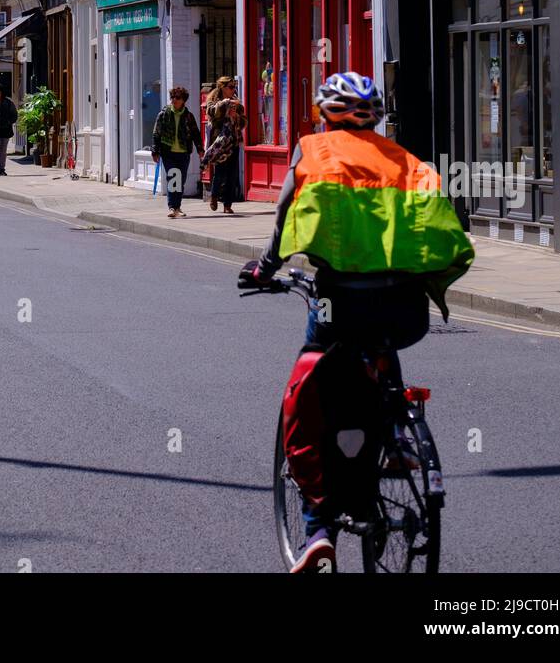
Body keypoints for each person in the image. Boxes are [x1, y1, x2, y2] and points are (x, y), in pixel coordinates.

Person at [239, 71, 474, 574]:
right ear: (376, 116)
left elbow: (284, 216)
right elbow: (438, 227)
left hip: (339, 305)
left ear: (325, 114)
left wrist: (265, 268)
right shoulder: (406, 161)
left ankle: (318, 527)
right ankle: (397, 441)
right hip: (406, 311)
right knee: (382, 359)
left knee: (309, 392)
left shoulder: (314, 151)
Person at [151, 86, 203, 218]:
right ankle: (172, 207)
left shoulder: (188, 116)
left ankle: (177, 207)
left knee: (181, 180)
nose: (174, 100)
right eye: (172, 97)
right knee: (173, 177)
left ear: (183, 100)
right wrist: (155, 151)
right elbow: (156, 133)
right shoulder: (164, 114)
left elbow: (196, 134)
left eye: (177, 98)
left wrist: (200, 149)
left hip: (183, 152)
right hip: (168, 152)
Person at [204, 76, 246, 211]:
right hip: (220, 143)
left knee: (232, 174)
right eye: (231, 87)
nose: (233, 90)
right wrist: (224, 105)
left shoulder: (236, 103)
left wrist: (236, 116)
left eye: (234, 87)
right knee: (220, 172)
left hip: (233, 141)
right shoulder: (213, 100)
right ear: (222, 87)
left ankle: (227, 205)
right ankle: (214, 196)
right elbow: (211, 112)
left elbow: (244, 122)